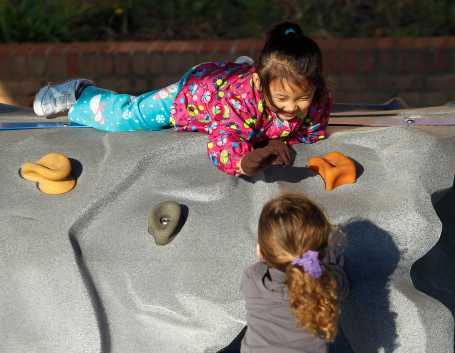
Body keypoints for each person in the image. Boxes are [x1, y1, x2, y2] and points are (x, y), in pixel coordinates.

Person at [32, 22, 332, 177]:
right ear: (260, 82)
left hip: (232, 83)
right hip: (196, 95)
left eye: (302, 97)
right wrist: (246, 160)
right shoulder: (242, 101)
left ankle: (236, 68)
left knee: (266, 103)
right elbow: (223, 141)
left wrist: (284, 141)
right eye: (282, 97)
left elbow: (309, 133)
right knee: (128, 117)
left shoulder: (316, 98)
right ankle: (81, 94)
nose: (292, 107)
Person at [236, 193, 349, 353]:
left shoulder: (252, 278)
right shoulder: (326, 279)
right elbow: (343, 287)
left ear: (261, 250)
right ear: (320, 251)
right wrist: (329, 265)